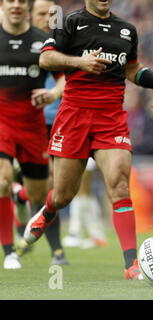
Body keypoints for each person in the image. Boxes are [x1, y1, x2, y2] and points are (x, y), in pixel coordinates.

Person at [23, 0, 153, 280]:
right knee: (64, 194)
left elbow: (132, 69)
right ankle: (48, 210)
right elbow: (46, 58)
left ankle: (131, 265)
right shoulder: (69, 22)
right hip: (74, 117)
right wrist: (80, 62)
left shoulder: (126, 29)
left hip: (110, 118)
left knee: (119, 186)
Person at [0, 0, 63, 269]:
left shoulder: (42, 41)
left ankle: (20, 197)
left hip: (33, 127)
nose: (16, 5)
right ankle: (9, 251)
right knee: (1, 180)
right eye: (10, 0)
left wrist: (51, 95)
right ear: (2, 4)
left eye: (21, 1)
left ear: (27, 6)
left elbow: (64, 78)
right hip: (2, 122)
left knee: (39, 193)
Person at [62, 158, 108, 249]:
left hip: (83, 152)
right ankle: (95, 235)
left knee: (81, 192)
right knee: (83, 193)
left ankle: (76, 233)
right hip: (83, 152)